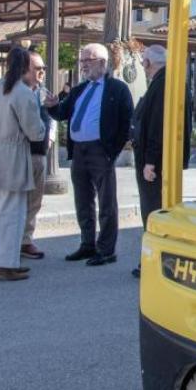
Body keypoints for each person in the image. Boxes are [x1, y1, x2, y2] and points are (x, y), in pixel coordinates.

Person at [44, 43, 133, 266]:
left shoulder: (117, 89)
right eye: (82, 61)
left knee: (106, 202)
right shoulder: (79, 90)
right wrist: (53, 106)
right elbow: (62, 113)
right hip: (79, 151)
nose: (83, 66)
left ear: (102, 63)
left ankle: (106, 250)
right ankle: (87, 244)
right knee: (83, 200)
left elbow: (127, 121)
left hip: (100, 151)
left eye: (87, 61)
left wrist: (112, 150)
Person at [0, 48, 48, 281]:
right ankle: (5, 263)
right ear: (26, 67)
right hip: (12, 157)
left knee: (0, 211)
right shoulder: (22, 93)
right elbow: (35, 132)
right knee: (13, 213)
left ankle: (2, 259)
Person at [130, 45, 169, 279]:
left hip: (151, 161)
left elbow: (156, 126)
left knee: (152, 212)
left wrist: (150, 162)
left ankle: (151, 263)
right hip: (151, 158)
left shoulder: (161, 84)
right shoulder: (164, 81)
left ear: (146, 63)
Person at [21, 48, 58, 260]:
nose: (42, 72)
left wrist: (51, 138)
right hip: (21, 154)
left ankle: (26, 240)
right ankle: (11, 242)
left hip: (39, 154)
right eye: (38, 69)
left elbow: (51, 116)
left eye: (43, 68)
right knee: (17, 201)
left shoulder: (42, 91)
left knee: (35, 201)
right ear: (25, 70)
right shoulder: (17, 91)